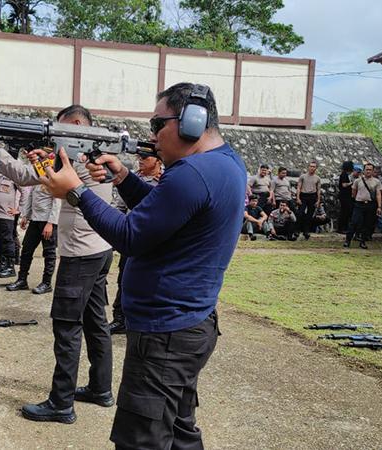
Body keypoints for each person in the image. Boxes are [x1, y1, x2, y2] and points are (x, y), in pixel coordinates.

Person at [40, 83, 245, 449]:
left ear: (191, 123)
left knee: (141, 441)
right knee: (180, 433)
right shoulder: (223, 163)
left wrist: (76, 191)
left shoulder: (190, 174)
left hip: (165, 336)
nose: (151, 136)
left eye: (157, 123)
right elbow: (167, 212)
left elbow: (130, 235)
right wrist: (123, 178)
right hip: (189, 326)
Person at [0, 105, 114, 425]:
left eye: (61, 129)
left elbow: (35, 180)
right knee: (95, 323)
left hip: (80, 253)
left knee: (67, 327)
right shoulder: (98, 151)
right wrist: (32, 155)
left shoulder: (81, 159)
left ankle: (61, 404)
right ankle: (101, 389)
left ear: (78, 125)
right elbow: (32, 175)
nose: (55, 137)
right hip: (100, 248)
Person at [108, 152, 163, 335]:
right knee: (124, 278)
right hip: (132, 235)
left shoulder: (164, 182)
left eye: (145, 158)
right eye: (139, 158)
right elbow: (120, 207)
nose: (140, 161)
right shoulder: (132, 178)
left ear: (158, 161)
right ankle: (119, 318)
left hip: (152, 240)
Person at [5, 184, 60, 294]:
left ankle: (46, 283)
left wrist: (51, 223)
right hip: (35, 220)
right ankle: (22, 280)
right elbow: (30, 198)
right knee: (26, 250)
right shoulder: (37, 180)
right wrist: (26, 216)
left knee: (49, 254)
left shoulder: (54, 180)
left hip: (48, 222)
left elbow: (57, 203)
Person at [344, 163, 382, 249]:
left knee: (367, 224)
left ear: (373, 171)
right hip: (359, 204)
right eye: (367, 169)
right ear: (363, 170)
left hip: (370, 204)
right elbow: (354, 193)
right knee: (354, 222)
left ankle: (363, 241)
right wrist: (358, 199)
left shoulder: (377, 182)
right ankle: (348, 240)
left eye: (370, 170)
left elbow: (378, 194)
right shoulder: (358, 181)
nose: (368, 171)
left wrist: (379, 206)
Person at [296, 161, 321, 240]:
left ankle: (306, 231)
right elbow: (299, 187)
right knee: (300, 213)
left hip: (312, 196)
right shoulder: (303, 176)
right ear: (308, 167)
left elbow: (318, 190)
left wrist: (318, 200)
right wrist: (298, 198)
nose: (312, 168)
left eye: (314, 167)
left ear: (316, 168)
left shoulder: (317, 178)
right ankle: (297, 230)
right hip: (303, 195)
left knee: (310, 215)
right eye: (311, 166)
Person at [337, 161, 355, 233]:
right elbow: (344, 185)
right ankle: (342, 228)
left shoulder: (346, 174)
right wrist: (352, 183)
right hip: (344, 196)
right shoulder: (344, 175)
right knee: (344, 212)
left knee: (347, 212)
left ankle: (345, 227)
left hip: (346, 196)